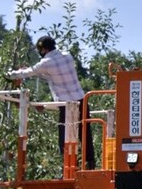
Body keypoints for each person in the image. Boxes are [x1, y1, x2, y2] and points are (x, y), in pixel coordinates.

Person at [6, 35, 96, 171]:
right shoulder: (67, 56)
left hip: (66, 105)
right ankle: (90, 164)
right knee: (85, 133)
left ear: (43, 50)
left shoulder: (45, 63)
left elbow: (29, 72)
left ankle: (69, 168)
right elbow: (54, 73)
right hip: (81, 100)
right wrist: (38, 73)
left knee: (64, 137)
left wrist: (10, 75)